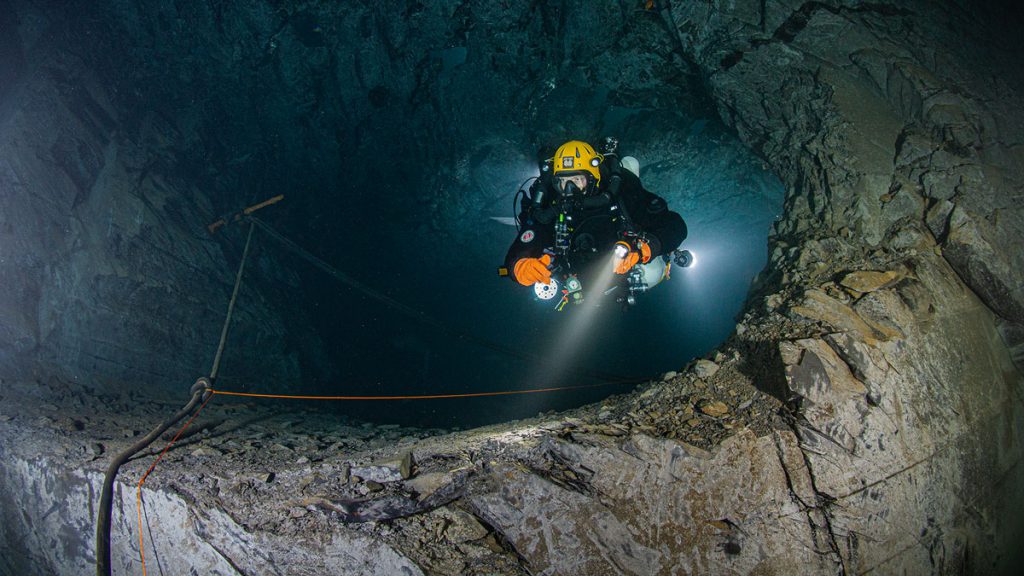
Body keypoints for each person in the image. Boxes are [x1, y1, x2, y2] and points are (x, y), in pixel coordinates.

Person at [503, 139, 687, 306]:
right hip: (575, 277)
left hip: (623, 268)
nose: (569, 190)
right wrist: (519, 265)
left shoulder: (623, 195)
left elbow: (675, 225)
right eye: (563, 182)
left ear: (593, 178)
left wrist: (645, 249)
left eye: (577, 180)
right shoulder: (551, 204)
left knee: (653, 274)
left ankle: (629, 167)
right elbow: (527, 237)